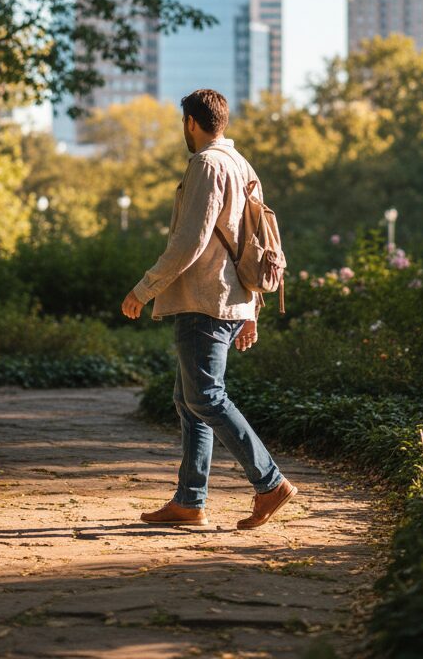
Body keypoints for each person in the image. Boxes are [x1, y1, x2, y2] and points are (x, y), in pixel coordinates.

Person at [121, 88, 297, 530]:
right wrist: (252, 307)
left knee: (205, 397)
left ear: (191, 123)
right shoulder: (242, 164)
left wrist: (143, 289)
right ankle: (190, 501)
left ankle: (270, 482)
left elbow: (189, 241)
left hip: (205, 298)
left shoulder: (206, 164)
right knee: (190, 400)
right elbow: (255, 241)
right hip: (230, 299)